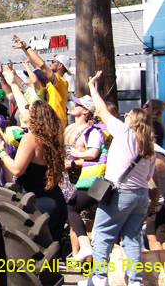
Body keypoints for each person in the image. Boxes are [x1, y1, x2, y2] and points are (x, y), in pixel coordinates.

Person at [79, 71, 156, 286]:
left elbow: (101, 110)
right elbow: (150, 175)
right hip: (141, 195)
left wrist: (92, 87)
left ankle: (99, 278)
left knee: (102, 234)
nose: (125, 116)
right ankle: (135, 281)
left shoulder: (125, 133)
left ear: (134, 120)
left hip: (120, 193)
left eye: (129, 115)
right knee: (132, 239)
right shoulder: (149, 145)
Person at [0, 100, 68, 242]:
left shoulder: (31, 138)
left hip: (37, 203)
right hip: (57, 201)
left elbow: (16, 170)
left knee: (32, 259)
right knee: (52, 260)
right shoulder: (51, 139)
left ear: (34, 116)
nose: (24, 110)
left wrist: (0, 151)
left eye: (28, 109)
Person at [65, 94, 108, 262]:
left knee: (87, 219)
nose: (72, 106)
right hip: (69, 179)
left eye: (77, 105)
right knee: (72, 218)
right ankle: (77, 255)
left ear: (86, 111)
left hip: (87, 178)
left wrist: (75, 158)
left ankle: (89, 259)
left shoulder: (93, 130)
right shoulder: (68, 128)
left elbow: (95, 155)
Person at [12, 35, 70, 125]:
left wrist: (27, 47)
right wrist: (24, 49)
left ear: (60, 66)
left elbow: (42, 66)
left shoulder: (61, 82)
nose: (50, 63)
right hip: (50, 122)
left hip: (57, 123)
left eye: (53, 61)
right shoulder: (49, 81)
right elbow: (37, 66)